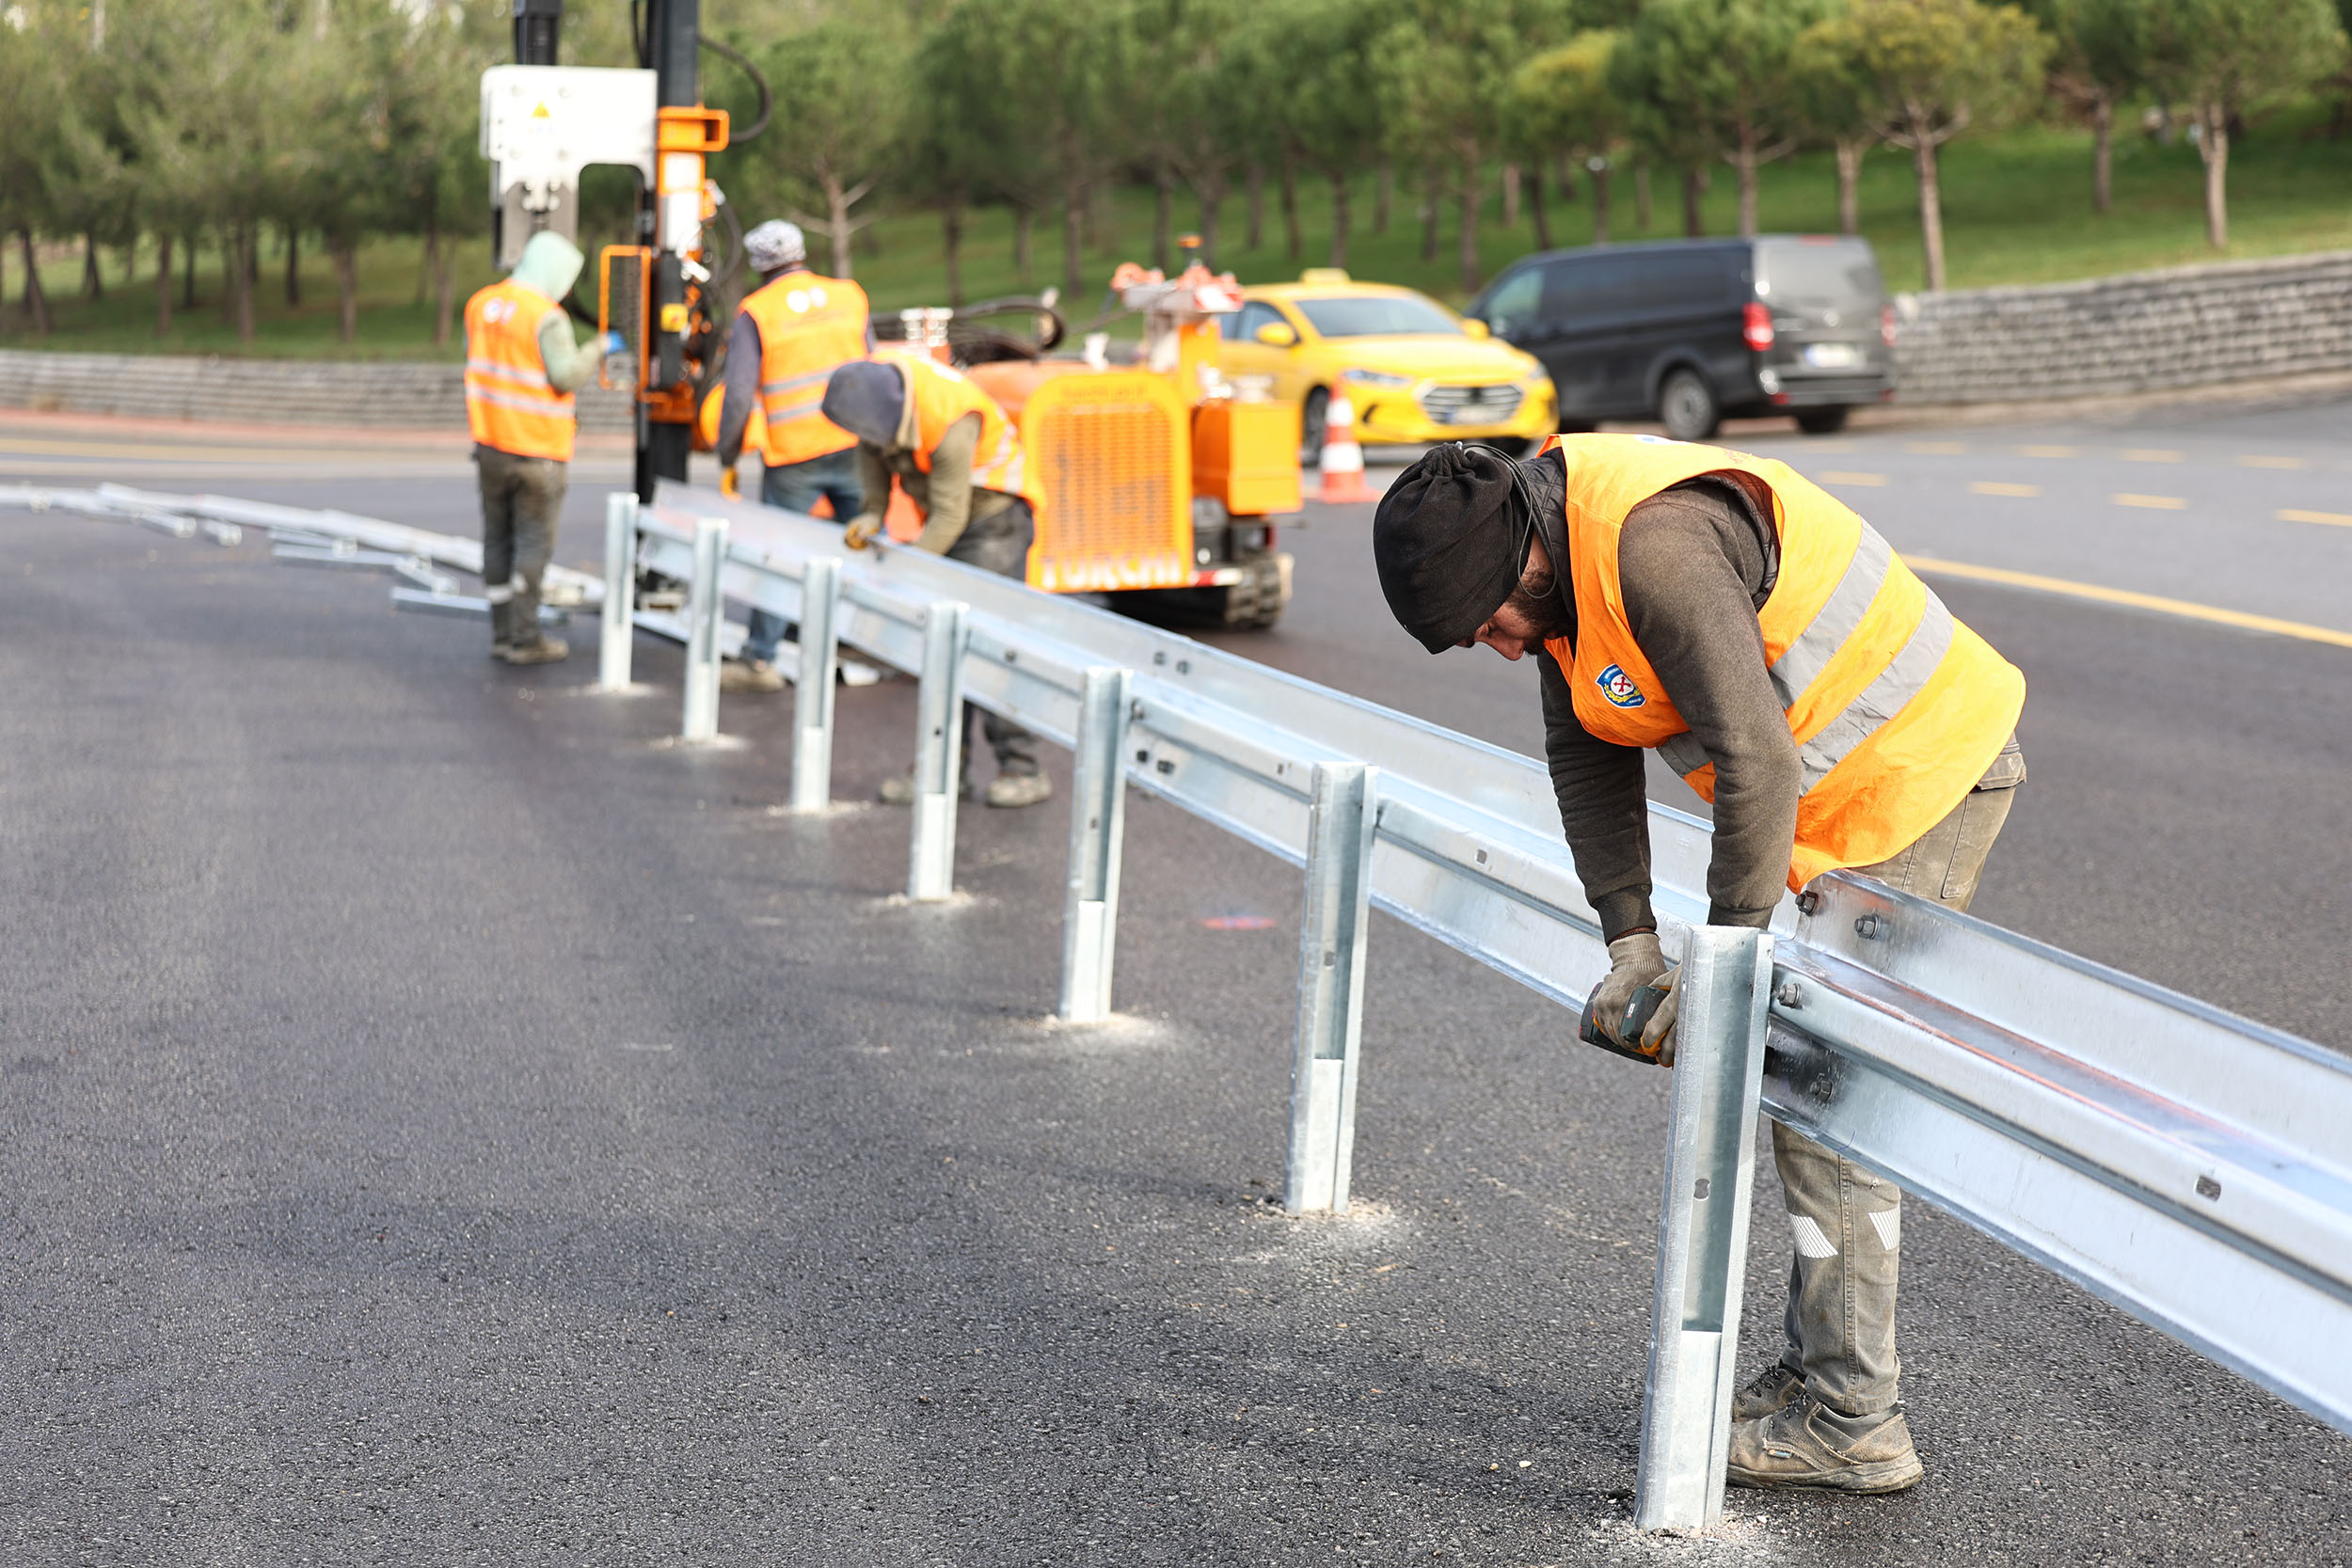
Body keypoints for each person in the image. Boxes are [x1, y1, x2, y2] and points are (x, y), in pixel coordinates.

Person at [1372, 436, 2027, 1496]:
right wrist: (1628, 937)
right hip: (1825, 796)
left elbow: (1756, 755)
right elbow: (1585, 747)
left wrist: (1719, 955)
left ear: (1527, 565)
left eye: (1488, 622)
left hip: (1918, 773)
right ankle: (1820, 1370)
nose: (1494, 647)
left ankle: (1856, 1419)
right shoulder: (1553, 569)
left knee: (1829, 1095)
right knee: (1798, 1081)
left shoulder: (1653, 552)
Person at [820, 353, 1053, 810]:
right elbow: (875, 482)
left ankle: (1023, 767)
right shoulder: (876, 409)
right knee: (945, 646)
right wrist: (869, 517)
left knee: (991, 646)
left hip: (995, 518)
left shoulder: (950, 418)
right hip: (957, 519)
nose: (863, 441)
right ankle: (942, 768)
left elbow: (950, 515)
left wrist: (908, 571)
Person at [713, 219, 872, 692]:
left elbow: (738, 394)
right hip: (854, 443)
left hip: (794, 455)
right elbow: (875, 366)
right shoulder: (849, 295)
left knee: (779, 555)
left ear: (760, 263)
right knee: (871, 545)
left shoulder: (756, 311)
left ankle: (760, 660)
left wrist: (728, 454)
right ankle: (887, 641)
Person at [462, 231, 615, 665]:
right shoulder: (546, 317)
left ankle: (501, 632)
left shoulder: (482, 305)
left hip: (490, 443)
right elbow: (565, 375)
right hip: (537, 451)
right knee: (531, 544)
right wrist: (599, 348)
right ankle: (526, 640)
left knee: (496, 539)